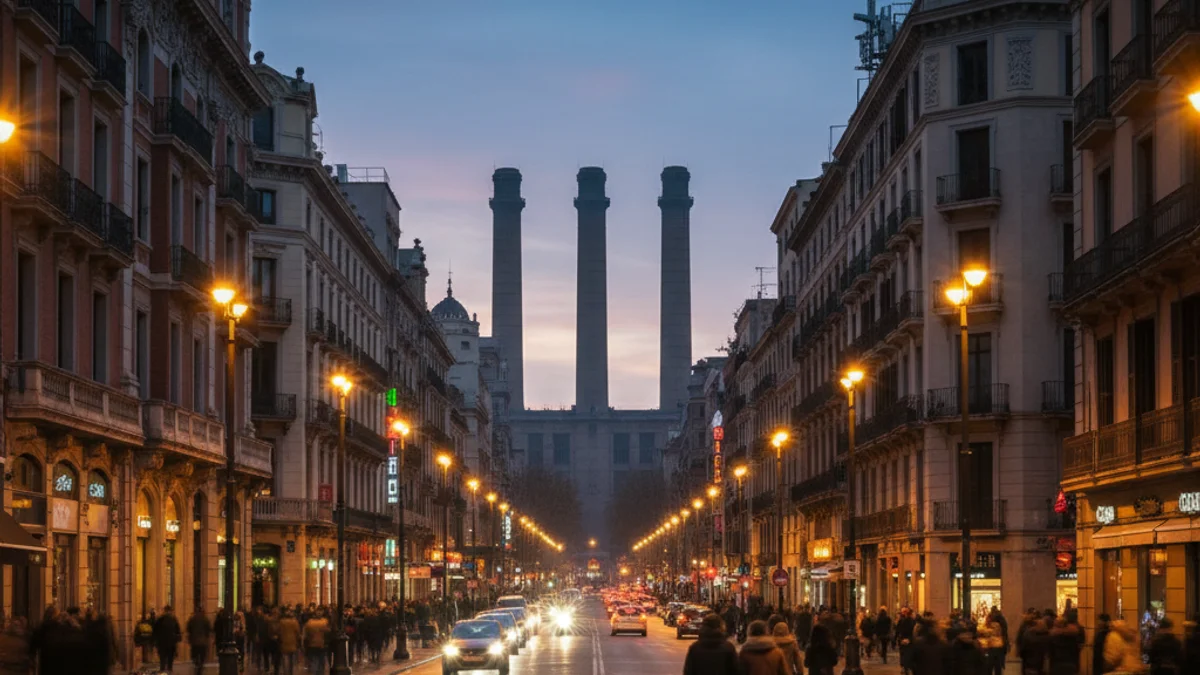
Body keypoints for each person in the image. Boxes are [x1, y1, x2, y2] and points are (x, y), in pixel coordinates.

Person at [153, 605, 183, 673]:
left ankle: (162, 669)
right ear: (170, 611)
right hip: (171, 642)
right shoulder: (174, 619)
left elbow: (155, 630)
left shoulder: (160, 619)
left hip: (162, 642)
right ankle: (169, 669)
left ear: (164, 611)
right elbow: (178, 630)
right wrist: (177, 639)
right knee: (170, 656)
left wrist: (155, 640)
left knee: (162, 657)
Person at [302, 610, 331, 675]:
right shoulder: (325, 622)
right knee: (321, 662)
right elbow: (328, 632)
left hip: (312, 645)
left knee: (313, 662)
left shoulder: (309, 623)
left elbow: (305, 635)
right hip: (322, 645)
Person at [187, 606, 213, 675]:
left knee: (194, 655)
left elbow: (188, 629)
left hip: (194, 641)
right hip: (203, 641)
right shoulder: (205, 619)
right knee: (202, 657)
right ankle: (199, 668)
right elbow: (209, 629)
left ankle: (196, 664)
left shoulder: (192, 619)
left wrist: (190, 637)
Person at [278, 610, 301, 675]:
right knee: (291, 659)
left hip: (284, 642)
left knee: (285, 659)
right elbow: (298, 633)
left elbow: (279, 632)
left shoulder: (281, 622)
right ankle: (291, 672)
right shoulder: (295, 622)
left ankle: (286, 672)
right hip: (293, 642)